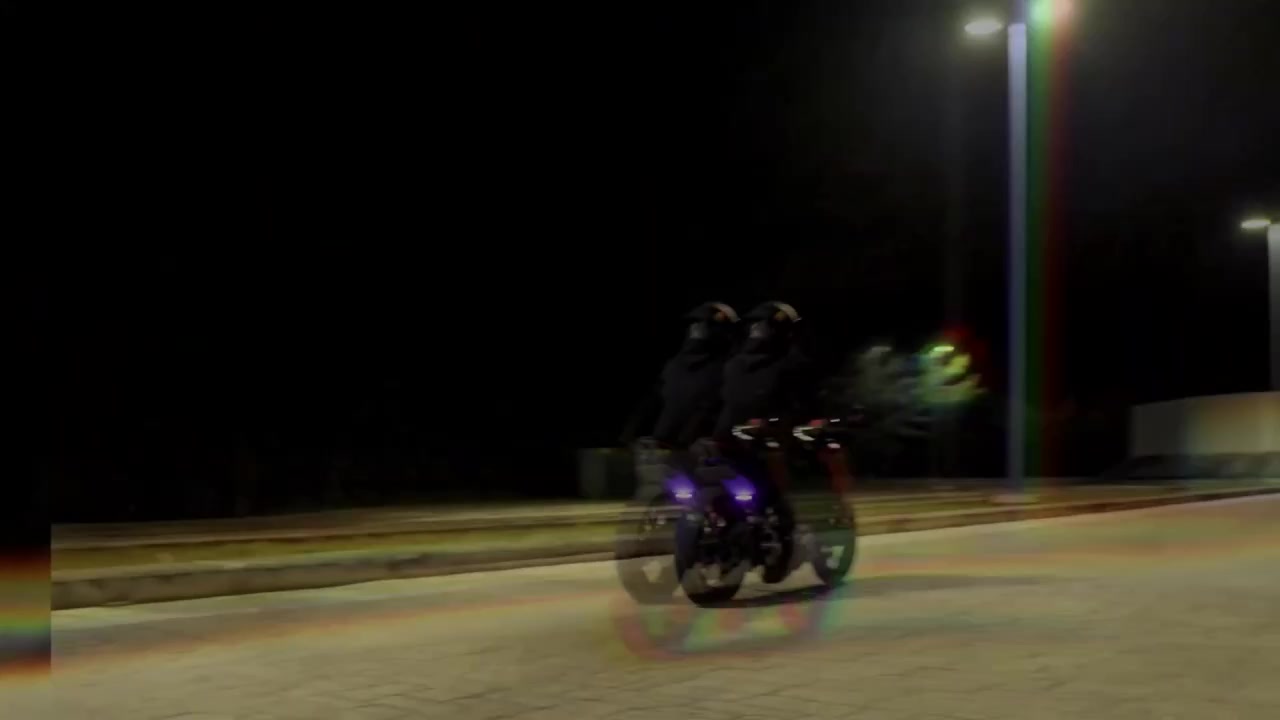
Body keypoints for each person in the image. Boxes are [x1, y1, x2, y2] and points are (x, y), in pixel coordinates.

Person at [714, 301, 819, 582]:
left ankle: (742, 541)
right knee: (776, 493)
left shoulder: (733, 363)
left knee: (735, 490)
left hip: (725, 438)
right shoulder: (790, 362)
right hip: (763, 439)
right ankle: (780, 556)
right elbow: (803, 401)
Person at [620, 303, 742, 490]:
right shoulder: (679, 366)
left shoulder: (729, 366)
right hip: (684, 447)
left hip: (700, 447)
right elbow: (653, 400)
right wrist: (632, 431)